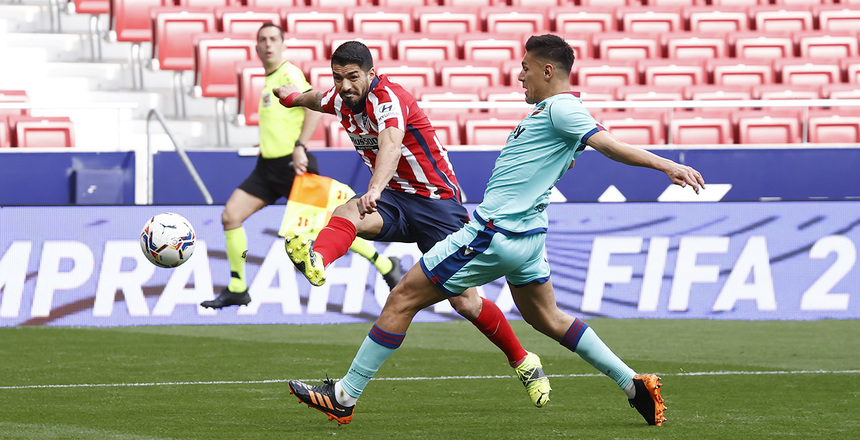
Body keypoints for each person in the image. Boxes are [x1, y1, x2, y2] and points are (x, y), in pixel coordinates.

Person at [286, 34, 706, 426]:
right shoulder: (549, 116)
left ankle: (345, 395)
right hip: (527, 240)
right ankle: (633, 384)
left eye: (525, 67)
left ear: (546, 71)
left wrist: (666, 164)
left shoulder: (563, 107)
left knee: (402, 297)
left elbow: (609, 144)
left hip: (494, 231)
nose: (519, 74)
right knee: (549, 318)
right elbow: (564, 154)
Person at [273, 41, 552, 408]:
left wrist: (374, 187)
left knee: (466, 302)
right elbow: (315, 98)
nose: (344, 86)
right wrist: (292, 97)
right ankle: (318, 262)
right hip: (396, 199)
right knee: (346, 214)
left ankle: (524, 361)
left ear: (371, 73)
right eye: (338, 78)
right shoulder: (341, 98)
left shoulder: (389, 98)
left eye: (353, 77)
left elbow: (390, 143)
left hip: (436, 203)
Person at [201, 24, 402, 309]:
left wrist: (300, 146)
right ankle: (237, 287)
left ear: (283, 44)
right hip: (267, 168)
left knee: (328, 226)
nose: (268, 44)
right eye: (262, 40)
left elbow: (313, 108)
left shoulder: (288, 73)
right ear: (256, 47)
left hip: (294, 166)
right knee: (230, 216)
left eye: (273, 39)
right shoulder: (268, 78)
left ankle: (384, 264)